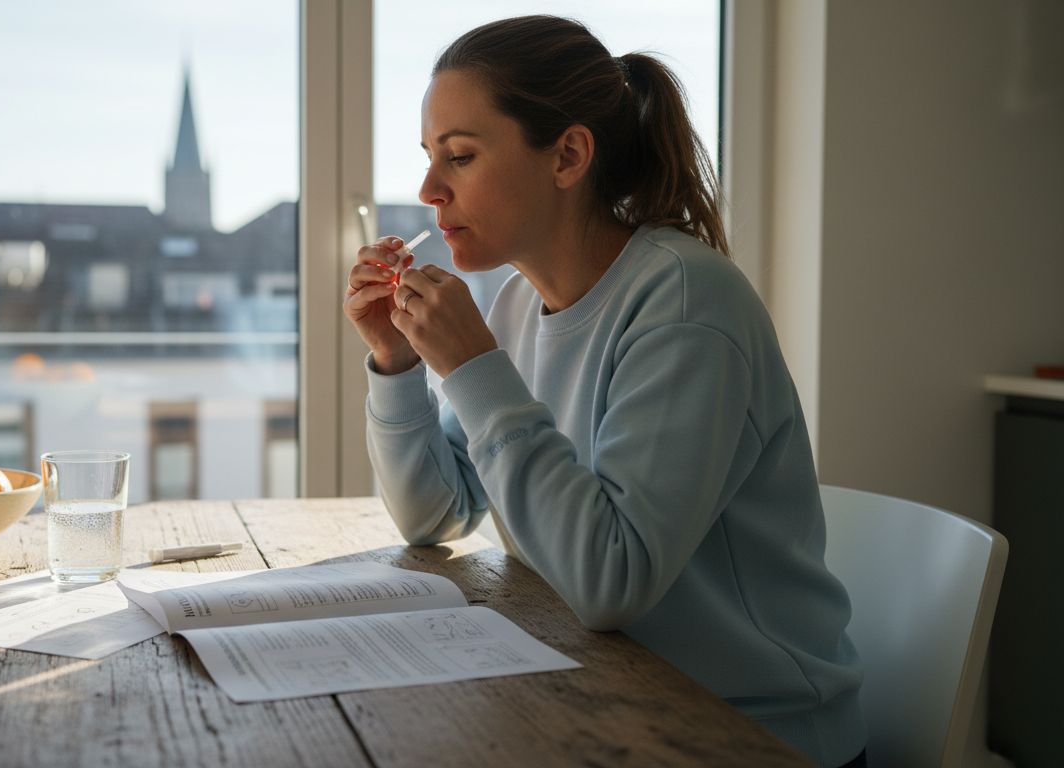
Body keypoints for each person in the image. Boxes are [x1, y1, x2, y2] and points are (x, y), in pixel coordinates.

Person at [342, 15, 867, 768]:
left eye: (459, 156)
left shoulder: (685, 304)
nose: (428, 190)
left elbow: (610, 581)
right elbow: (437, 513)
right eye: (429, 158)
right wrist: (396, 365)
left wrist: (475, 371)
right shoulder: (517, 304)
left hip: (746, 732)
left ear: (568, 155)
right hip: (601, 694)